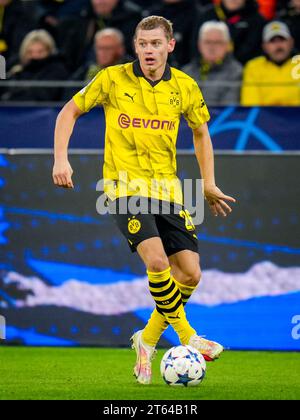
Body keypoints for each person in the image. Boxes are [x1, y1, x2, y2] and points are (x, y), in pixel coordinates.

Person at [52, 16, 236, 385]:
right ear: (135, 46)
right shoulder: (112, 79)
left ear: (170, 46)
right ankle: (189, 337)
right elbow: (69, 111)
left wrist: (208, 183)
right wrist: (61, 158)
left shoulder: (184, 86)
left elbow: (201, 132)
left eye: (156, 44)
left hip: (168, 190)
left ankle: (147, 339)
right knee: (156, 261)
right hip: (124, 189)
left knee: (190, 273)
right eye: (142, 44)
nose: (149, 50)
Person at [183, 20, 242, 105]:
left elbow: (228, 106)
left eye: (218, 42)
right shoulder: (186, 72)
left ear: (227, 45)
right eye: (207, 42)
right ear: (199, 45)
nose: (212, 47)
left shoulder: (236, 72)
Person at [241, 21, 300, 105]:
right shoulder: (253, 67)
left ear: (291, 42)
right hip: (264, 117)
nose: (278, 46)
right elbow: (251, 105)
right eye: (272, 41)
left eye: (282, 40)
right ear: (264, 46)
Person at [2, 29, 68, 102]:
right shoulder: (14, 67)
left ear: (49, 51)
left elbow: (45, 95)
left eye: (40, 52)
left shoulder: (57, 70)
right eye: (30, 52)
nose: (35, 56)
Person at [196, 0, 266, 64]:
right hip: (203, 67)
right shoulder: (207, 15)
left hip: (243, 69)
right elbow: (194, 45)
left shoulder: (257, 20)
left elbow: (253, 51)